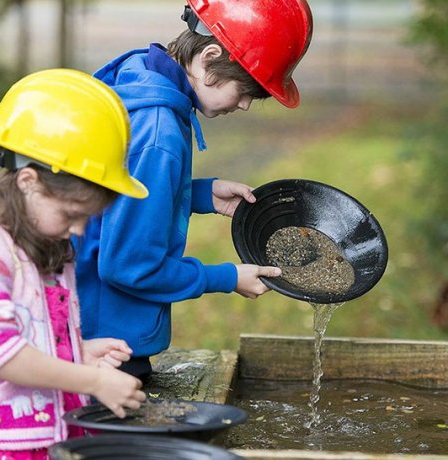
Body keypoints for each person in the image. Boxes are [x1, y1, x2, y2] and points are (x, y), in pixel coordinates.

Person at [73, 0, 314, 381]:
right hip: (105, 344)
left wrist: (200, 194)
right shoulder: (159, 132)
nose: (247, 104)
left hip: (87, 324)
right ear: (209, 57)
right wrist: (227, 278)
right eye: (246, 89)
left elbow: (118, 198)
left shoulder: (142, 76)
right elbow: (130, 266)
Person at [0, 68, 148, 460]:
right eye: (72, 213)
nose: (76, 230)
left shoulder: (35, 236)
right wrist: (90, 379)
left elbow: (22, 327)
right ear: (28, 181)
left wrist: (77, 351)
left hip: (37, 440)